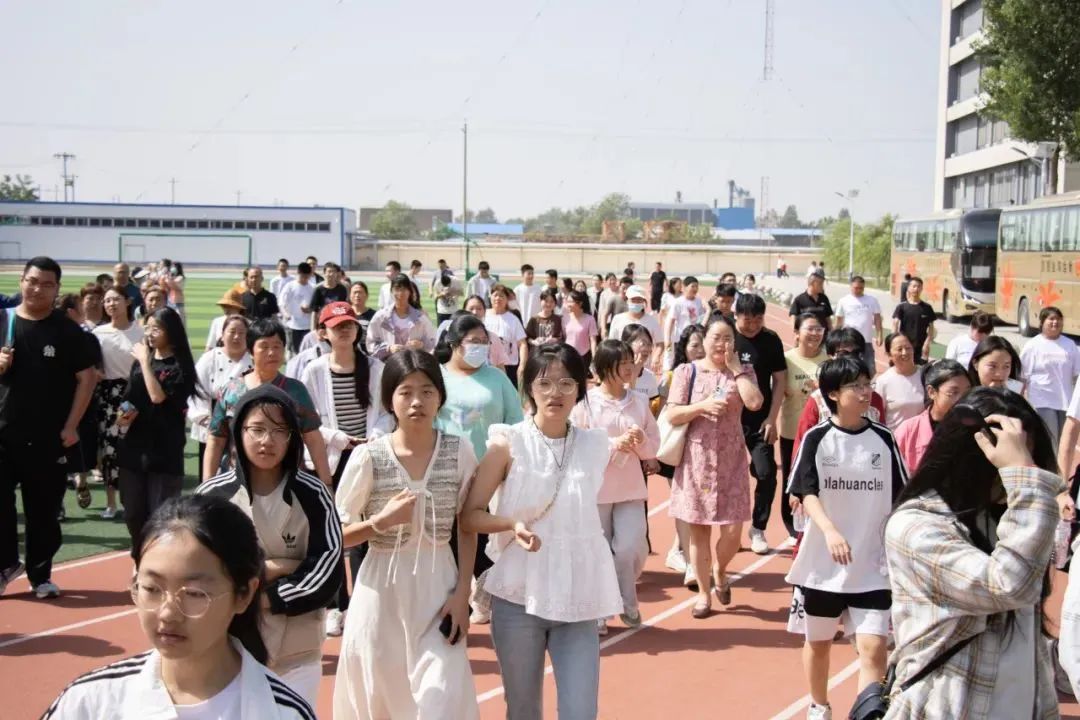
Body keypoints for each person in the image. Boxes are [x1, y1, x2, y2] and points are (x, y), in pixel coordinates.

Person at [43, 494, 317, 720]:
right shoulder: (89, 704)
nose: (167, 613)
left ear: (244, 595)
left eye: (195, 594)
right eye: (152, 589)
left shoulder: (285, 713)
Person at [461, 344, 621, 720]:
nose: (555, 393)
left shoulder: (594, 445)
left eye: (566, 383)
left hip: (577, 599)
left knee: (581, 712)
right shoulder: (508, 444)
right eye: (544, 383)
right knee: (523, 710)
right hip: (519, 599)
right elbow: (469, 516)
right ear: (529, 388)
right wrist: (510, 524)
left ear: (580, 388)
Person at [884, 387, 1062, 718]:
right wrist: (1025, 481)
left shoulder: (1005, 518)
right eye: (1007, 467)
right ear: (972, 462)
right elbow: (1009, 585)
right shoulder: (915, 526)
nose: (1017, 477)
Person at [335, 350, 481, 719]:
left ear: (440, 397)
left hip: (440, 589)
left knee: (442, 698)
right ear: (390, 400)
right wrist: (379, 522)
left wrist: (463, 593)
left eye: (427, 391)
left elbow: (467, 526)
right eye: (406, 392)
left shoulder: (459, 451)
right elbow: (336, 536)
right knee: (381, 701)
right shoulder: (368, 457)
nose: (417, 401)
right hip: (380, 594)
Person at [198, 386, 343, 706]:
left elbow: (328, 570)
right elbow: (198, 570)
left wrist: (262, 597)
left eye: (279, 431)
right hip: (226, 650)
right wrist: (280, 566)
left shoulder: (314, 494)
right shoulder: (211, 498)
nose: (268, 440)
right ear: (239, 432)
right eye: (258, 429)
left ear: (292, 438)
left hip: (297, 654)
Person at [787, 356, 907, 720]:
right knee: (819, 643)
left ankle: (866, 713)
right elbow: (806, 492)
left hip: (871, 565)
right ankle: (819, 705)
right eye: (855, 386)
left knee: (874, 648)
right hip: (823, 566)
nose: (864, 391)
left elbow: (902, 495)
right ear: (834, 394)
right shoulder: (817, 438)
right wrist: (830, 530)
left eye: (867, 384)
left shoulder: (883, 439)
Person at [0, 258, 97, 600]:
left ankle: (40, 575)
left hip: (49, 438)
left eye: (46, 284)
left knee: (43, 512)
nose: (37, 289)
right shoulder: (3, 320)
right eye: (32, 281)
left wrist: (72, 426)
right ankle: (6, 564)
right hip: (3, 433)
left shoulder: (66, 330)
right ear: (21, 281)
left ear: (57, 289)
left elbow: (87, 378)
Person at [665, 314, 763, 617]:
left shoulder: (743, 370)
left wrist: (736, 370)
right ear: (705, 339)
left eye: (728, 338)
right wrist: (701, 407)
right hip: (697, 460)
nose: (722, 344)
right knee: (699, 531)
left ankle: (720, 569)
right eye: (716, 338)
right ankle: (704, 594)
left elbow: (755, 403)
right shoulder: (687, 371)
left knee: (733, 531)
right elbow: (672, 414)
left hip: (732, 460)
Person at [300, 302, 389, 636]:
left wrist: (373, 436)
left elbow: (386, 412)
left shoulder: (375, 368)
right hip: (331, 461)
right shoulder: (314, 371)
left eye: (349, 325)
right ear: (323, 332)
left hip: (366, 458)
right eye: (337, 326)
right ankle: (336, 604)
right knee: (333, 533)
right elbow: (308, 417)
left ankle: (362, 605)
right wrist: (337, 438)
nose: (344, 330)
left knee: (364, 532)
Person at [434, 314, 525, 623]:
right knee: (450, 536)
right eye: (474, 342)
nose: (480, 347)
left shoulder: (497, 378)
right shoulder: (437, 377)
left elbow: (515, 421)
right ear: (454, 343)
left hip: (488, 472)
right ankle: (456, 596)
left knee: (481, 534)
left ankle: (486, 593)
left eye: (485, 342)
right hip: (445, 470)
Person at [571, 339, 660, 632]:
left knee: (629, 548)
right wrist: (612, 444)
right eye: (622, 364)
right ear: (604, 368)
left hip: (630, 488)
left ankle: (626, 601)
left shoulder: (639, 402)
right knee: (598, 551)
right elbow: (575, 443)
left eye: (630, 362)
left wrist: (641, 441)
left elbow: (653, 444)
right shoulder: (585, 404)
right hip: (596, 491)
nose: (629, 368)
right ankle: (600, 610)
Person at [203, 319, 332, 488]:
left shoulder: (295, 390)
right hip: (238, 483)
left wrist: (327, 483)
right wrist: (206, 485)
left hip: (286, 483)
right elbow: (216, 439)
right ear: (250, 351)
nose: (272, 352)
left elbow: (313, 437)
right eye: (264, 347)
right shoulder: (232, 390)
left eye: (277, 346)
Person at [115, 307, 199, 559]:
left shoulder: (180, 366)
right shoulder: (143, 361)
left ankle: (156, 562)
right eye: (148, 327)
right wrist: (120, 422)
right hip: (134, 447)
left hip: (164, 450)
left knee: (160, 516)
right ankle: (139, 556)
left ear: (171, 331)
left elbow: (157, 396)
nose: (150, 333)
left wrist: (144, 361)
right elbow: (131, 397)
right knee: (133, 512)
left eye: (156, 328)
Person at [734, 293, 787, 556]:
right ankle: (728, 529)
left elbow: (780, 380)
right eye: (747, 321)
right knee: (727, 477)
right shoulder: (726, 337)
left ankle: (758, 527)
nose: (753, 326)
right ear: (736, 316)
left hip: (760, 420)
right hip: (729, 419)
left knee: (766, 474)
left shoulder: (770, 339)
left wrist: (772, 418)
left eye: (758, 320)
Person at [93, 287, 146, 520]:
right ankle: (111, 502)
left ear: (128, 302)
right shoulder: (98, 333)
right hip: (108, 396)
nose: (111, 304)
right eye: (107, 301)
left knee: (132, 445)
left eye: (115, 299)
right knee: (109, 447)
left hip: (134, 393)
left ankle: (133, 500)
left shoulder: (140, 331)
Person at [778, 313, 828, 538]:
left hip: (821, 434)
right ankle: (792, 528)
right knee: (791, 481)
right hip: (792, 431)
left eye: (819, 329)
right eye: (810, 329)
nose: (815, 334)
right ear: (797, 333)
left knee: (818, 481)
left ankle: (815, 526)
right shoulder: (786, 360)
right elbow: (777, 394)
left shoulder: (828, 361)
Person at [189, 315, 252, 479]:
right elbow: (197, 390)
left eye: (242, 333)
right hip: (212, 424)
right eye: (232, 332)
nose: (237, 337)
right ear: (222, 335)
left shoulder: (253, 360)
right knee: (210, 473)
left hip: (246, 426)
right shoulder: (210, 358)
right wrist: (205, 419)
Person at [1020, 306, 1080, 450]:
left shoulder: (1069, 345)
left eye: (1058, 319)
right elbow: (1022, 376)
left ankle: (1058, 463)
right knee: (1050, 437)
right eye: (1051, 319)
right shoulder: (1033, 345)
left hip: (1065, 400)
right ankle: (1049, 463)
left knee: (1063, 440)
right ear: (1042, 322)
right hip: (1042, 399)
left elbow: (1077, 374)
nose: (1055, 322)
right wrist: (1017, 399)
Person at [894, 359, 971, 473]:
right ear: (931, 392)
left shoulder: (972, 430)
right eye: (953, 393)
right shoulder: (908, 431)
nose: (962, 399)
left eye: (967, 393)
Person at [366, 275, 438, 360]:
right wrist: (388, 348)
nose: (400, 293)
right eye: (397, 289)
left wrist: (421, 345)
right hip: (387, 364)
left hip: (413, 364)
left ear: (410, 291)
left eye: (404, 289)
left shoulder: (420, 318)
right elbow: (370, 343)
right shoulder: (380, 317)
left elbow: (434, 342)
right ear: (391, 291)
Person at [873, 333, 926, 431]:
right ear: (889, 354)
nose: (904, 353)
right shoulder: (883, 381)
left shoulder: (925, 375)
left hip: (921, 437)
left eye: (908, 348)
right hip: (894, 437)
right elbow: (877, 415)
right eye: (899, 349)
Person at [833, 275, 882, 374]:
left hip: (866, 341)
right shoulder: (843, 301)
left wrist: (879, 334)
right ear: (851, 286)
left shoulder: (872, 300)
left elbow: (877, 318)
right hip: (849, 340)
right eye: (856, 288)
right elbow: (838, 321)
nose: (858, 290)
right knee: (847, 368)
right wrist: (834, 338)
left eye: (861, 288)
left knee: (870, 369)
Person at [484, 284, 528, 388]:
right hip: (486, 364)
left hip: (509, 366)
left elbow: (522, 344)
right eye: (495, 295)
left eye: (501, 296)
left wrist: (522, 365)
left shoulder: (513, 319)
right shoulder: (484, 316)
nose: (498, 298)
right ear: (490, 297)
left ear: (507, 299)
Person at [891, 276, 936, 364]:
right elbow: (895, 324)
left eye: (919, 286)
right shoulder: (902, 307)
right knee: (903, 367)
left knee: (921, 369)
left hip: (921, 346)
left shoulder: (927, 308)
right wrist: (894, 341)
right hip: (904, 346)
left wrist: (927, 343)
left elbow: (931, 328)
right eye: (914, 286)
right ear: (909, 288)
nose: (916, 289)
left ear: (922, 288)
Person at [664, 276, 706, 368]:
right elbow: (670, 321)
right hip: (681, 338)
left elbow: (702, 318)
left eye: (697, 286)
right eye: (693, 286)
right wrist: (667, 339)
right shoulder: (678, 302)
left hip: (695, 338)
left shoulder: (699, 301)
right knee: (679, 361)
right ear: (685, 287)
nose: (695, 289)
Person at [608, 285, 662, 352]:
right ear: (627, 300)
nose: (636, 302)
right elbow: (612, 344)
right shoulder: (617, 319)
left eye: (639, 300)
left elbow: (660, 344)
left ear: (644, 301)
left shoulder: (652, 320)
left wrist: (655, 357)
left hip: (646, 358)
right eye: (633, 299)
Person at [279, 262, 315, 355]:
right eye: (302, 276)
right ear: (298, 273)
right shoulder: (290, 286)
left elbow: (315, 306)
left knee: (306, 350)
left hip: (307, 325)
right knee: (293, 350)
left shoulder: (312, 288)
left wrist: (309, 309)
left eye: (307, 277)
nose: (304, 279)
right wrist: (286, 314)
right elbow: (282, 303)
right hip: (293, 324)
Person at [563, 289, 599, 370]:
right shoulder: (565, 318)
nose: (568, 304)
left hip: (584, 355)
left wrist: (594, 356)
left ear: (580, 303)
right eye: (567, 301)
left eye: (571, 302)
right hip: (568, 354)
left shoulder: (590, 319)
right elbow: (564, 337)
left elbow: (593, 340)